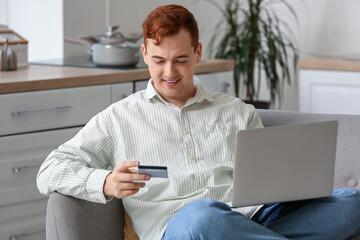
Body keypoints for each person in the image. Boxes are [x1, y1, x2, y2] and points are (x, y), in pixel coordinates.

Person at [37, 4, 360, 240]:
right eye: (159, 61)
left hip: (252, 217)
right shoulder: (118, 117)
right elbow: (50, 170)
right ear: (145, 54)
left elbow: (266, 182)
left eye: (181, 60)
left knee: (351, 203)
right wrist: (104, 181)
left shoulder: (237, 110)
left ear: (198, 53)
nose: (169, 73)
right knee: (202, 215)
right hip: (182, 227)